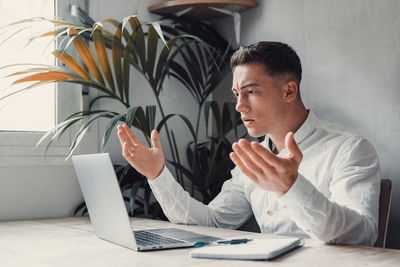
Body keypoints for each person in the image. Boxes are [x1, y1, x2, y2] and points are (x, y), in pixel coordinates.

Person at [117, 41, 381, 246]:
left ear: (289, 91)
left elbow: (362, 235)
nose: (240, 107)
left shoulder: (350, 149)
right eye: (236, 94)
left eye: (251, 92)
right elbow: (212, 222)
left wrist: (291, 187)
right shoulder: (252, 156)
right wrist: (157, 174)